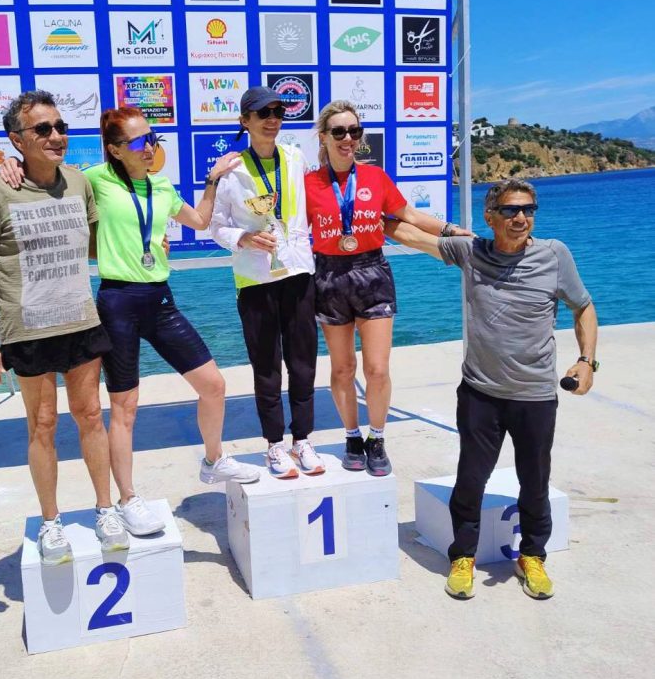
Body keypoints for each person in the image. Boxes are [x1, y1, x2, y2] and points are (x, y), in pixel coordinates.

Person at [1, 106, 259, 538]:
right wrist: (12, 161)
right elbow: (46, 170)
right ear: (116, 149)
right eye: (139, 142)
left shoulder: (162, 185)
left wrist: (212, 180)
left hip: (160, 299)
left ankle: (214, 460)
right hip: (117, 301)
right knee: (124, 407)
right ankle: (126, 499)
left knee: (213, 384)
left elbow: (199, 220)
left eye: (153, 138)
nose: (150, 147)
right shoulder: (94, 180)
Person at [388, 177, 598, 600]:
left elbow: (583, 306)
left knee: (535, 481)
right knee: (471, 479)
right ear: (490, 216)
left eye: (528, 210)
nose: (521, 218)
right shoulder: (472, 252)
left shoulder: (554, 254)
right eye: (510, 210)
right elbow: (404, 232)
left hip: (535, 395)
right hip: (480, 393)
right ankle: (463, 556)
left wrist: (586, 361)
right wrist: (361, 205)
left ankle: (532, 555)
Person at [0, 90, 129, 565]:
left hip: (80, 320)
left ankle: (105, 509)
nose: (56, 136)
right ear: (17, 139)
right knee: (42, 424)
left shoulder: (79, 182)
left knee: (90, 415)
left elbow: (98, 243)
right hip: (27, 329)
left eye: (60, 127)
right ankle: (51, 521)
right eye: (42, 129)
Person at [306, 100, 470, 475]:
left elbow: (408, 215)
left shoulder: (375, 177)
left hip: (372, 273)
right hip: (329, 276)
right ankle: (352, 436)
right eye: (338, 131)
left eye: (354, 131)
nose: (347, 138)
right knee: (343, 369)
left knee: (377, 370)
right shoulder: (309, 184)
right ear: (324, 137)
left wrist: (449, 230)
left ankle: (376, 438)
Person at [211, 87, 325, 479]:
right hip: (255, 278)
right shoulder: (231, 170)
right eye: (263, 113)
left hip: (298, 273)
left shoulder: (295, 157)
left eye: (278, 111)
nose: (272, 119)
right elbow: (216, 226)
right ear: (245, 121)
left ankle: (302, 439)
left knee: (304, 363)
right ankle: (274, 444)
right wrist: (242, 238)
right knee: (266, 367)